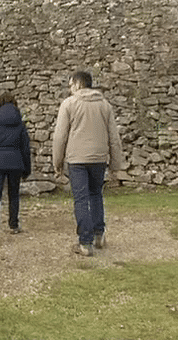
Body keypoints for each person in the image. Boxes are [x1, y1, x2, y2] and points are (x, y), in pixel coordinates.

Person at [52, 70, 125, 257]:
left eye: (70, 85)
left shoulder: (68, 104)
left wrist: (57, 162)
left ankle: (85, 242)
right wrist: (116, 165)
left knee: (81, 199)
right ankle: (99, 235)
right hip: (99, 159)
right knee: (96, 195)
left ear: (78, 84)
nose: (70, 89)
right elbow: (114, 138)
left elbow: (60, 137)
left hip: (77, 160)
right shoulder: (105, 105)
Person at [0, 92, 31, 242]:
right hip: (15, 162)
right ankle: (14, 224)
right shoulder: (20, 124)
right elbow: (25, 149)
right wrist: (26, 168)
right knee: (14, 194)